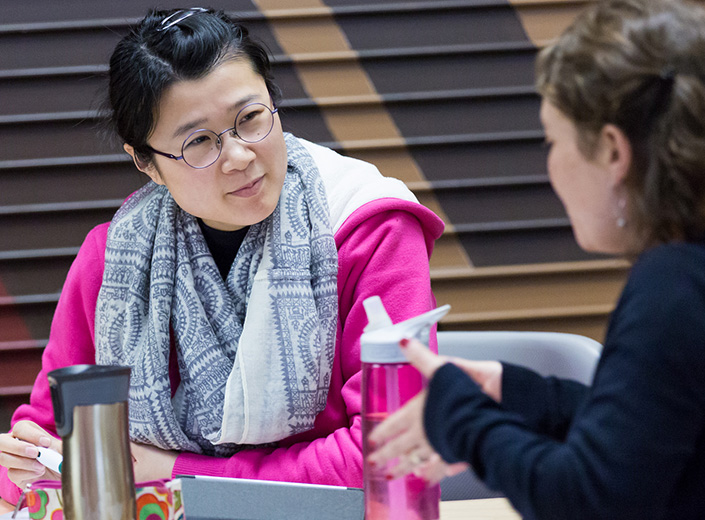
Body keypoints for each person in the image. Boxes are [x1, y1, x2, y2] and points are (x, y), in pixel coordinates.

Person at [0, 7, 444, 505]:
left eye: (250, 119)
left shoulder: (369, 229)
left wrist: (178, 473)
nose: (238, 157)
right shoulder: (113, 261)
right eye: (198, 143)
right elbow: (46, 443)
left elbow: (390, 455)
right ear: (145, 162)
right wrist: (25, 465)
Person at [368, 0, 705, 518]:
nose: (549, 167)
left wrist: (458, 414)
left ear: (613, 152)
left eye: (553, 140)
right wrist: (520, 394)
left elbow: (585, 501)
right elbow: (655, 437)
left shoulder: (673, 288)